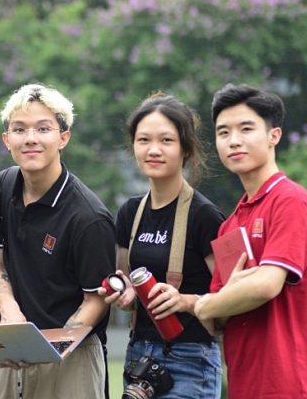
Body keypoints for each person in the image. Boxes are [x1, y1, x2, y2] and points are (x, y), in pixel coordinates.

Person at [194, 83, 307, 398]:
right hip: (245, 383)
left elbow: (267, 285)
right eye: (224, 132)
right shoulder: (229, 225)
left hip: (290, 384)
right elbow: (217, 321)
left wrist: (207, 304)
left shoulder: (290, 199)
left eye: (246, 129)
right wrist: (217, 303)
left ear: (274, 136)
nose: (234, 140)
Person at [0, 83, 116, 399]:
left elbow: (96, 300)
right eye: (19, 129)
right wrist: (9, 311)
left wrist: (50, 349)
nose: (31, 138)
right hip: (12, 346)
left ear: (63, 138)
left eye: (43, 129)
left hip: (72, 353)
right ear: (6, 140)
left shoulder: (89, 218)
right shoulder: (1, 187)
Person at [100, 93, 224, 398]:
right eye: (144, 140)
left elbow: (232, 296)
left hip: (190, 359)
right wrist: (124, 294)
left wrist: (186, 301)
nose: (153, 149)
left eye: (166, 140)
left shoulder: (204, 216)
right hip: (139, 357)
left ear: (186, 148)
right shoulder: (129, 213)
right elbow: (127, 284)